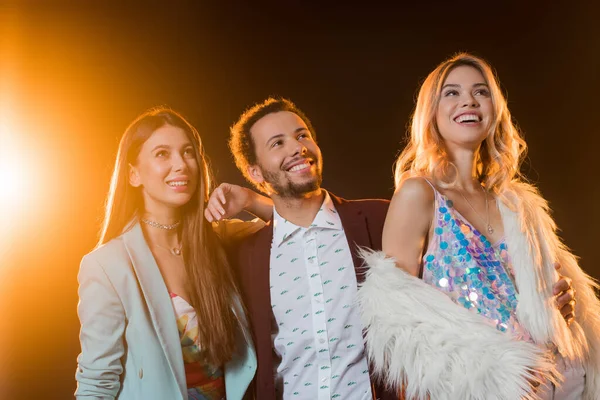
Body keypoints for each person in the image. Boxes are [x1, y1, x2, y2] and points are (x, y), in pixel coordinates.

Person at [207, 97, 578, 400]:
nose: (298, 147)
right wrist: (251, 202)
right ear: (255, 172)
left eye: (302, 135)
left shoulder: (382, 220)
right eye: (278, 143)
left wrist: (538, 298)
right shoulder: (246, 253)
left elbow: (470, 265)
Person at [357, 53, 600, 399]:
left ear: (495, 108)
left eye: (480, 92)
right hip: (485, 389)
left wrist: (562, 303)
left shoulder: (517, 203)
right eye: (452, 93)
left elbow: (549, 292)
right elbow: (401, 327)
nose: (468, 100)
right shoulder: (419, 193)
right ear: (432, 113)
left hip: (563, 380)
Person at [75, 107, 268, 400]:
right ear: (133, 174)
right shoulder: (106, 265)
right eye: (163, 154)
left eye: (188, 152)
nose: (181, 164)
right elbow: (97, 382)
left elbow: (301, 225)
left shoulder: (221, 239)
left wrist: (251, 199)